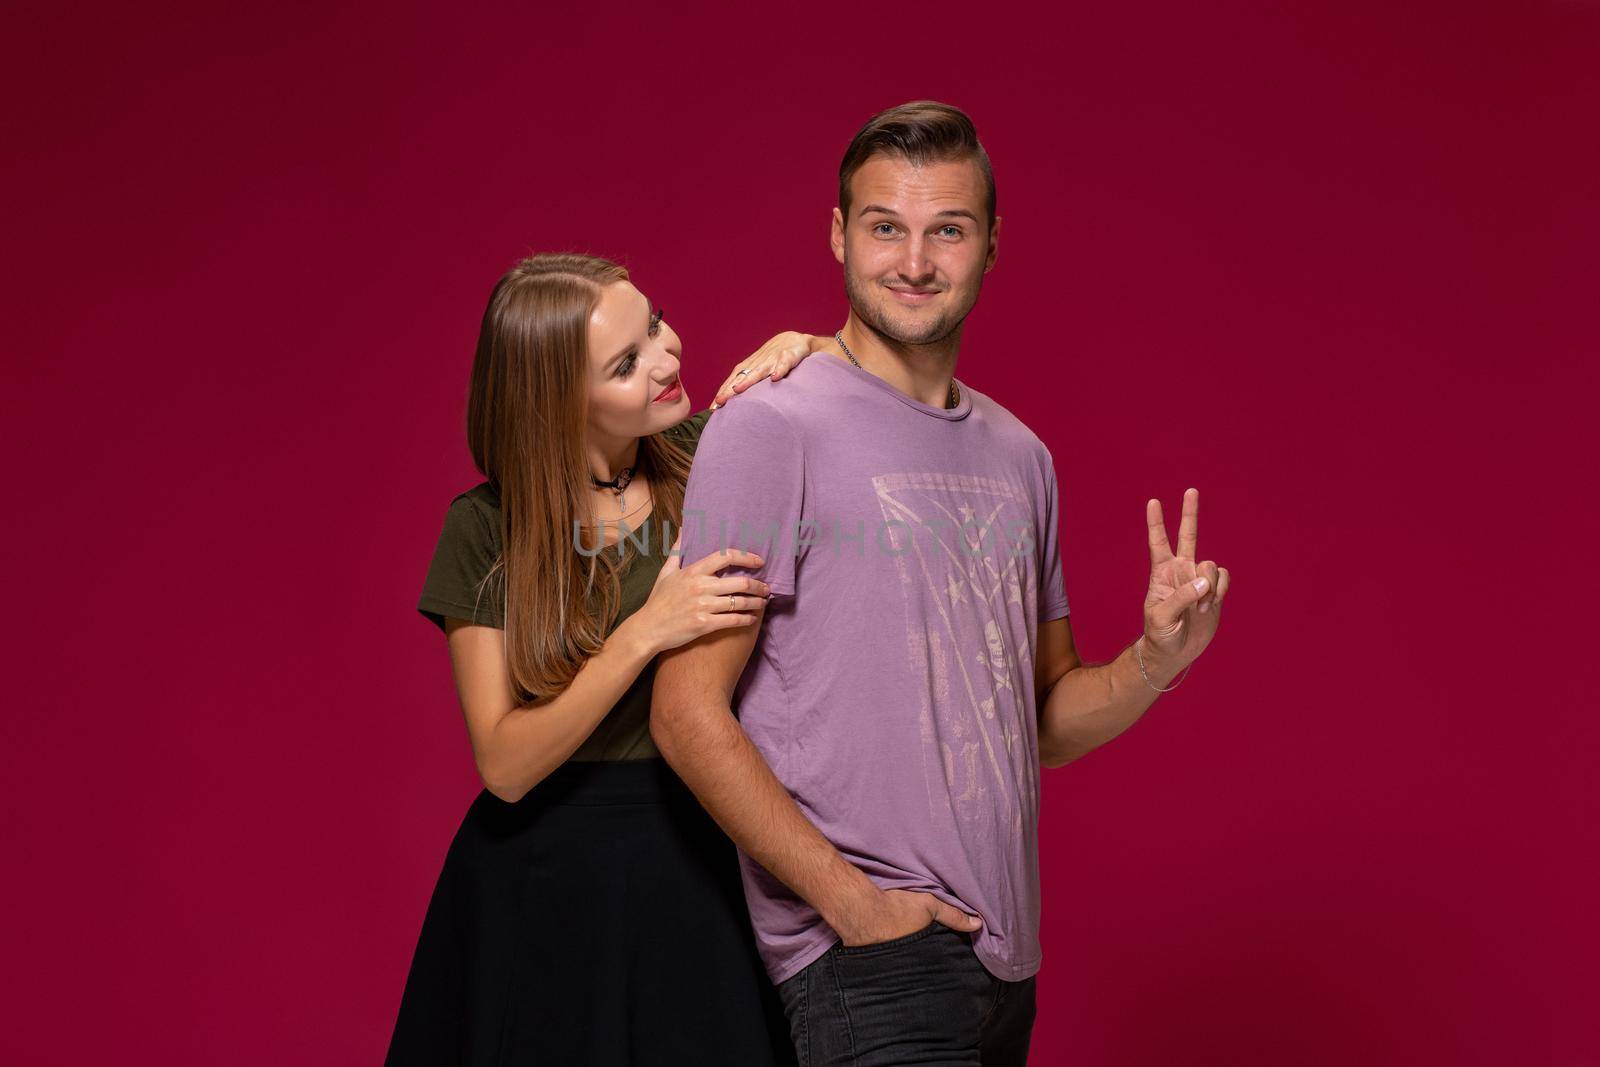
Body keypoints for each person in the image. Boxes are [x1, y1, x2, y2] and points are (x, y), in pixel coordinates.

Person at [651, 101, 1232, 1065]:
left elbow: (1039, 718)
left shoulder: (1023, 456)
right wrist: (852, 906)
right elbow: (686, 712)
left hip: (1004, 960)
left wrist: (1156, 660)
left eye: (947, 230)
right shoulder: (770, 427)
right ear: (839, 234)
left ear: (991, 244)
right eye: (884, 226)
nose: (913, 261)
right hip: (867, 957)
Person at [385, 251, 824, 1066]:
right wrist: (644, 632)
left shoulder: (717, 451)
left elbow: (864, 383)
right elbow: (506, 764)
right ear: (559, 404)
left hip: (707, 847)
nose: (667, 356)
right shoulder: (483, 528)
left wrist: (811, 347)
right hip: (544, 881)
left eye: (653, 322)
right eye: (627, 363)